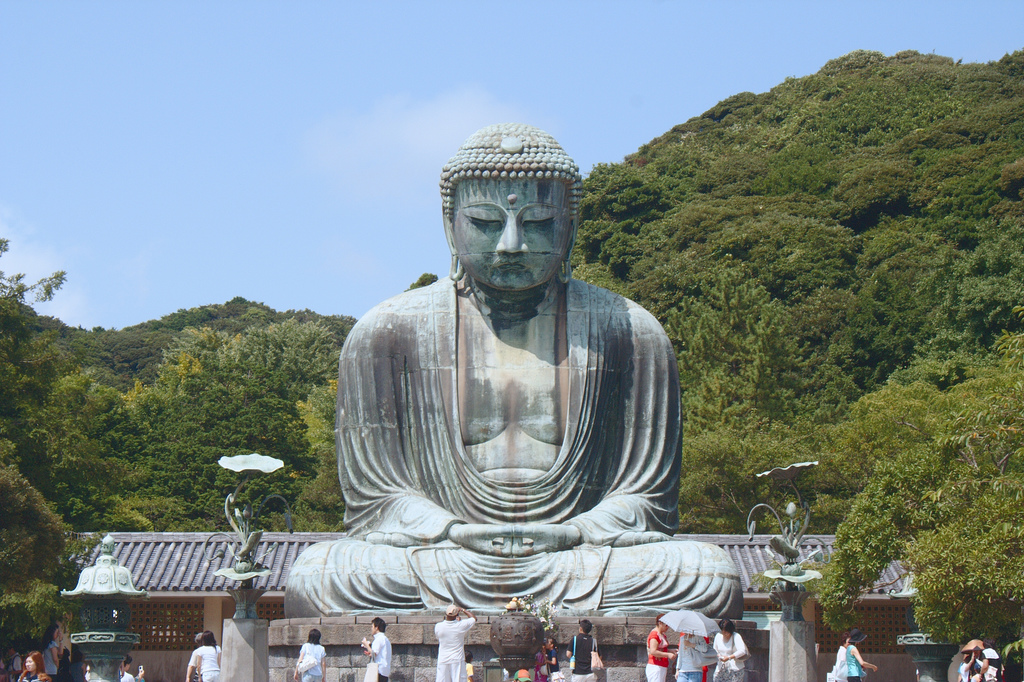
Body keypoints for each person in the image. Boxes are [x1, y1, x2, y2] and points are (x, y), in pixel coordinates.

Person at [284, 123, 742, 617]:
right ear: (448, 224)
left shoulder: (629, 331)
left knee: (706, 573)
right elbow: (377, 499)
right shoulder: (388, 332)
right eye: (484, 221)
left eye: (539, 221)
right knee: (320, 576)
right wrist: (453, 530)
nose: (511, 244)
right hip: (446, 554)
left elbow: (645, 497)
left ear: (570, 225)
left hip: (578, 554)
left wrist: (575, 531)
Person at [435, 606, 476, 682]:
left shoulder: (438, 626)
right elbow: (473, 618)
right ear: (456, 614)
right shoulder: (460, 625)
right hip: (456, 659)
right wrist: (463, 610)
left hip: (443, 659)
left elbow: (438, 637)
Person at [646, 617, 676, 682]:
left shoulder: (662, 634)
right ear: (660, 623)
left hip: (661, 665)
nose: (667, 627)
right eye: (666, 625)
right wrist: (668, 654)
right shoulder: (654, 634)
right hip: (655, 666)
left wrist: (670, 651)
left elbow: (660, 649)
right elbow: (653, 651)